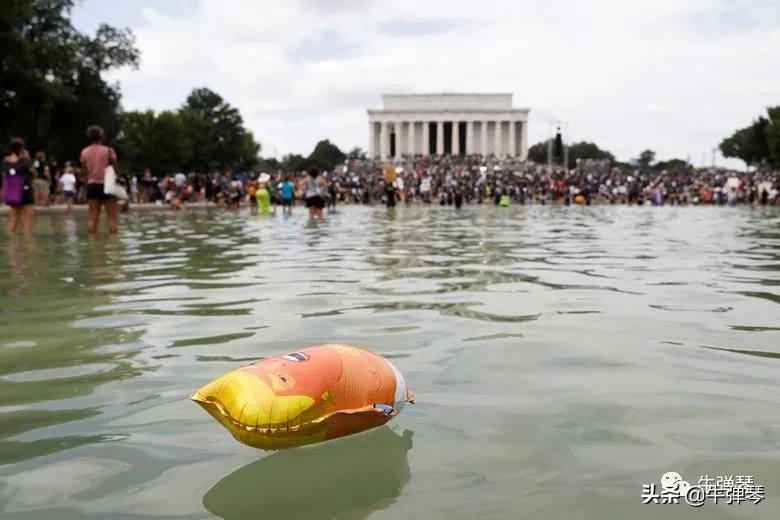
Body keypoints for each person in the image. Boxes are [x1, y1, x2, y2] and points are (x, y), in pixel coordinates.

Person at [80, 125, 121, 234]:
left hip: (92, 186)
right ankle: (112, 242)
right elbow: (116, 170)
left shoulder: (84, 152)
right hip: (108, 185)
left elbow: (85, 172)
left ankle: (92, 242)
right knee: (112, 217)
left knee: (92, 218)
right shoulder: (109, 151)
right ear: (101, 136)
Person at [2, 138, 36, 234]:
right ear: (22, 148)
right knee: (28, 219)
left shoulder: (5, 161)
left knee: (13, 219)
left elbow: (4, 176)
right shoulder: (26, 160)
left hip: (13, 192)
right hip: (26, 190)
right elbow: (33, 174)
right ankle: (28, 241)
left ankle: (10, 241)